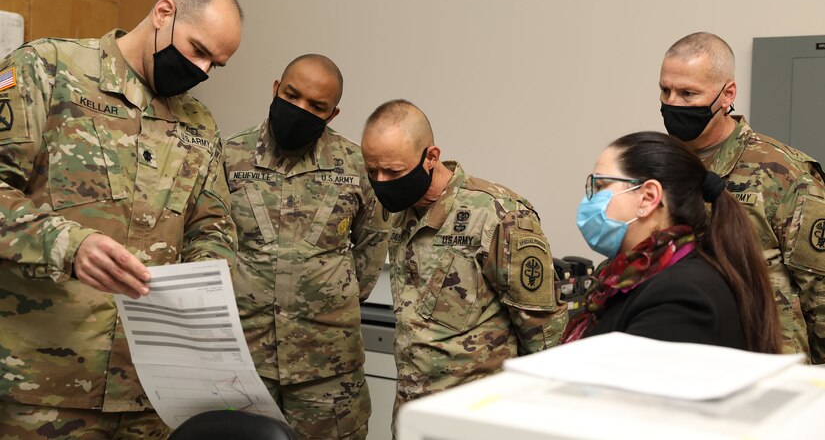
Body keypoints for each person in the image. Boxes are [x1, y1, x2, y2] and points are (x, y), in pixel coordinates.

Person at [0, 0, 243, 438]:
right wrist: (70, 244)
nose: (202, 70)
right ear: (163, 13)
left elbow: (211, 221)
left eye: (216, 64)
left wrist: (209, 271)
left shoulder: (198, 122)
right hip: (41, 388)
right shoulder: (47, 70)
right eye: (197, 50)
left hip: (152, 394)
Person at [359, 99, 567, 430]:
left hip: (479, 417)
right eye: (372, 171)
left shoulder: (498, 215)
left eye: (393, 171)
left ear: (431, 157)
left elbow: (543, 332)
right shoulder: (399, 212)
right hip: (413, 412)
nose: (382, 181)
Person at [224, 54, 391, 440]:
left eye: (316, 106)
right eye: (292, 96)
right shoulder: (229, 156)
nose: (300, 110)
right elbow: (211, 240)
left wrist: (330, 298)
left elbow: (373, 241)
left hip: (327, 368)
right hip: (246, 361)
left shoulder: (355, 166)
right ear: (275, 90)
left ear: (332, 114)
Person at [658, 32, 825, 361]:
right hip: (677, 362)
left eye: (688, 93)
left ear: (726, 94)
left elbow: (820, 296)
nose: (673, 103)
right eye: (666, 90)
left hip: (764, 370)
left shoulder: (783, 175)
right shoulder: (660, 166)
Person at [566, 131, 782, 352]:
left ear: (648, 197)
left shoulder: (679, 293)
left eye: (601, 186)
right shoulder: (635, 275)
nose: (590, 199)